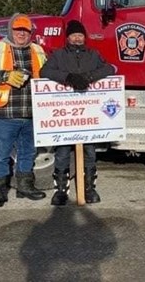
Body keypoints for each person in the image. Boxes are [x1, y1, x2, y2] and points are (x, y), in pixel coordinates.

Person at [40, 20, 116, 205]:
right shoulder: (58, 55)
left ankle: (89, 189)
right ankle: (60, 191)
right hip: (66, 116)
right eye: (74, 35)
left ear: (84, 37)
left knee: (89, 152)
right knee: (63, 152)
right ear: (68, 38)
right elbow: (44, 71)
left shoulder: (93, 54)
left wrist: (88, 78)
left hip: (88, 116)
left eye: (80, 35)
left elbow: (110, 68)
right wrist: (68, 77)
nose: (77, 38)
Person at [0, 13, 48, 208]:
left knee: (28, 153)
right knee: (0, 154)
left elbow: (50, 74)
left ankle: (25, 186)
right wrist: (6, 76)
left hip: (32, 112)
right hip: (6, 113)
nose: (21, 34)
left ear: (30, 33)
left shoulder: (38, 51)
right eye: (18, 30)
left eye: (25, 30)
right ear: (11, 30)